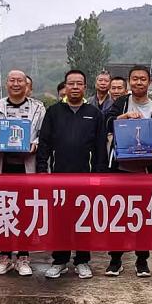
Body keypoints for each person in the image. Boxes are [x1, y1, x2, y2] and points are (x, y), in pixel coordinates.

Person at [39, 70, 106, 279]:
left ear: (85, 87)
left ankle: (82, 260)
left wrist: (99, 175)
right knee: (60, 221)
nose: (75, 87)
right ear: (65, 87)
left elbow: (100, 149)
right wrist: (42, 171)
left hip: (85, 178)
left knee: (83, 220)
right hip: (59, 177)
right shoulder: (53, 112)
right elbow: (44, 144)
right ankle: (60, 260)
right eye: (71, 83)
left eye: (79, 83)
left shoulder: (94, 114)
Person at [103, 65, 152, 278]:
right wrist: (122, 119)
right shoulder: (121, 103)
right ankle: (115, 260)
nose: (138, 82)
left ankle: (142, 260)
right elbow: (106, 123)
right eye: (135, 79)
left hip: (145, 173)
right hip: (120, 171)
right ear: (129, 82)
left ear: (149, 83)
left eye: (143, 79)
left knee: (143, 218)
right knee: (117, 216)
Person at [0, 69, 46, 276]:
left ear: (26, 84)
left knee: (25, 212)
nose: (16, 84)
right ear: (7, 83)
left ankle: (23, 257)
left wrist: (36, 143)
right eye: (12, 80)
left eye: (20, 80)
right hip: (4, 166)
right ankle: (5, 256)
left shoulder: (38, 108)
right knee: (4, 210)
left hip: (27, 167)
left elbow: (44, 134)